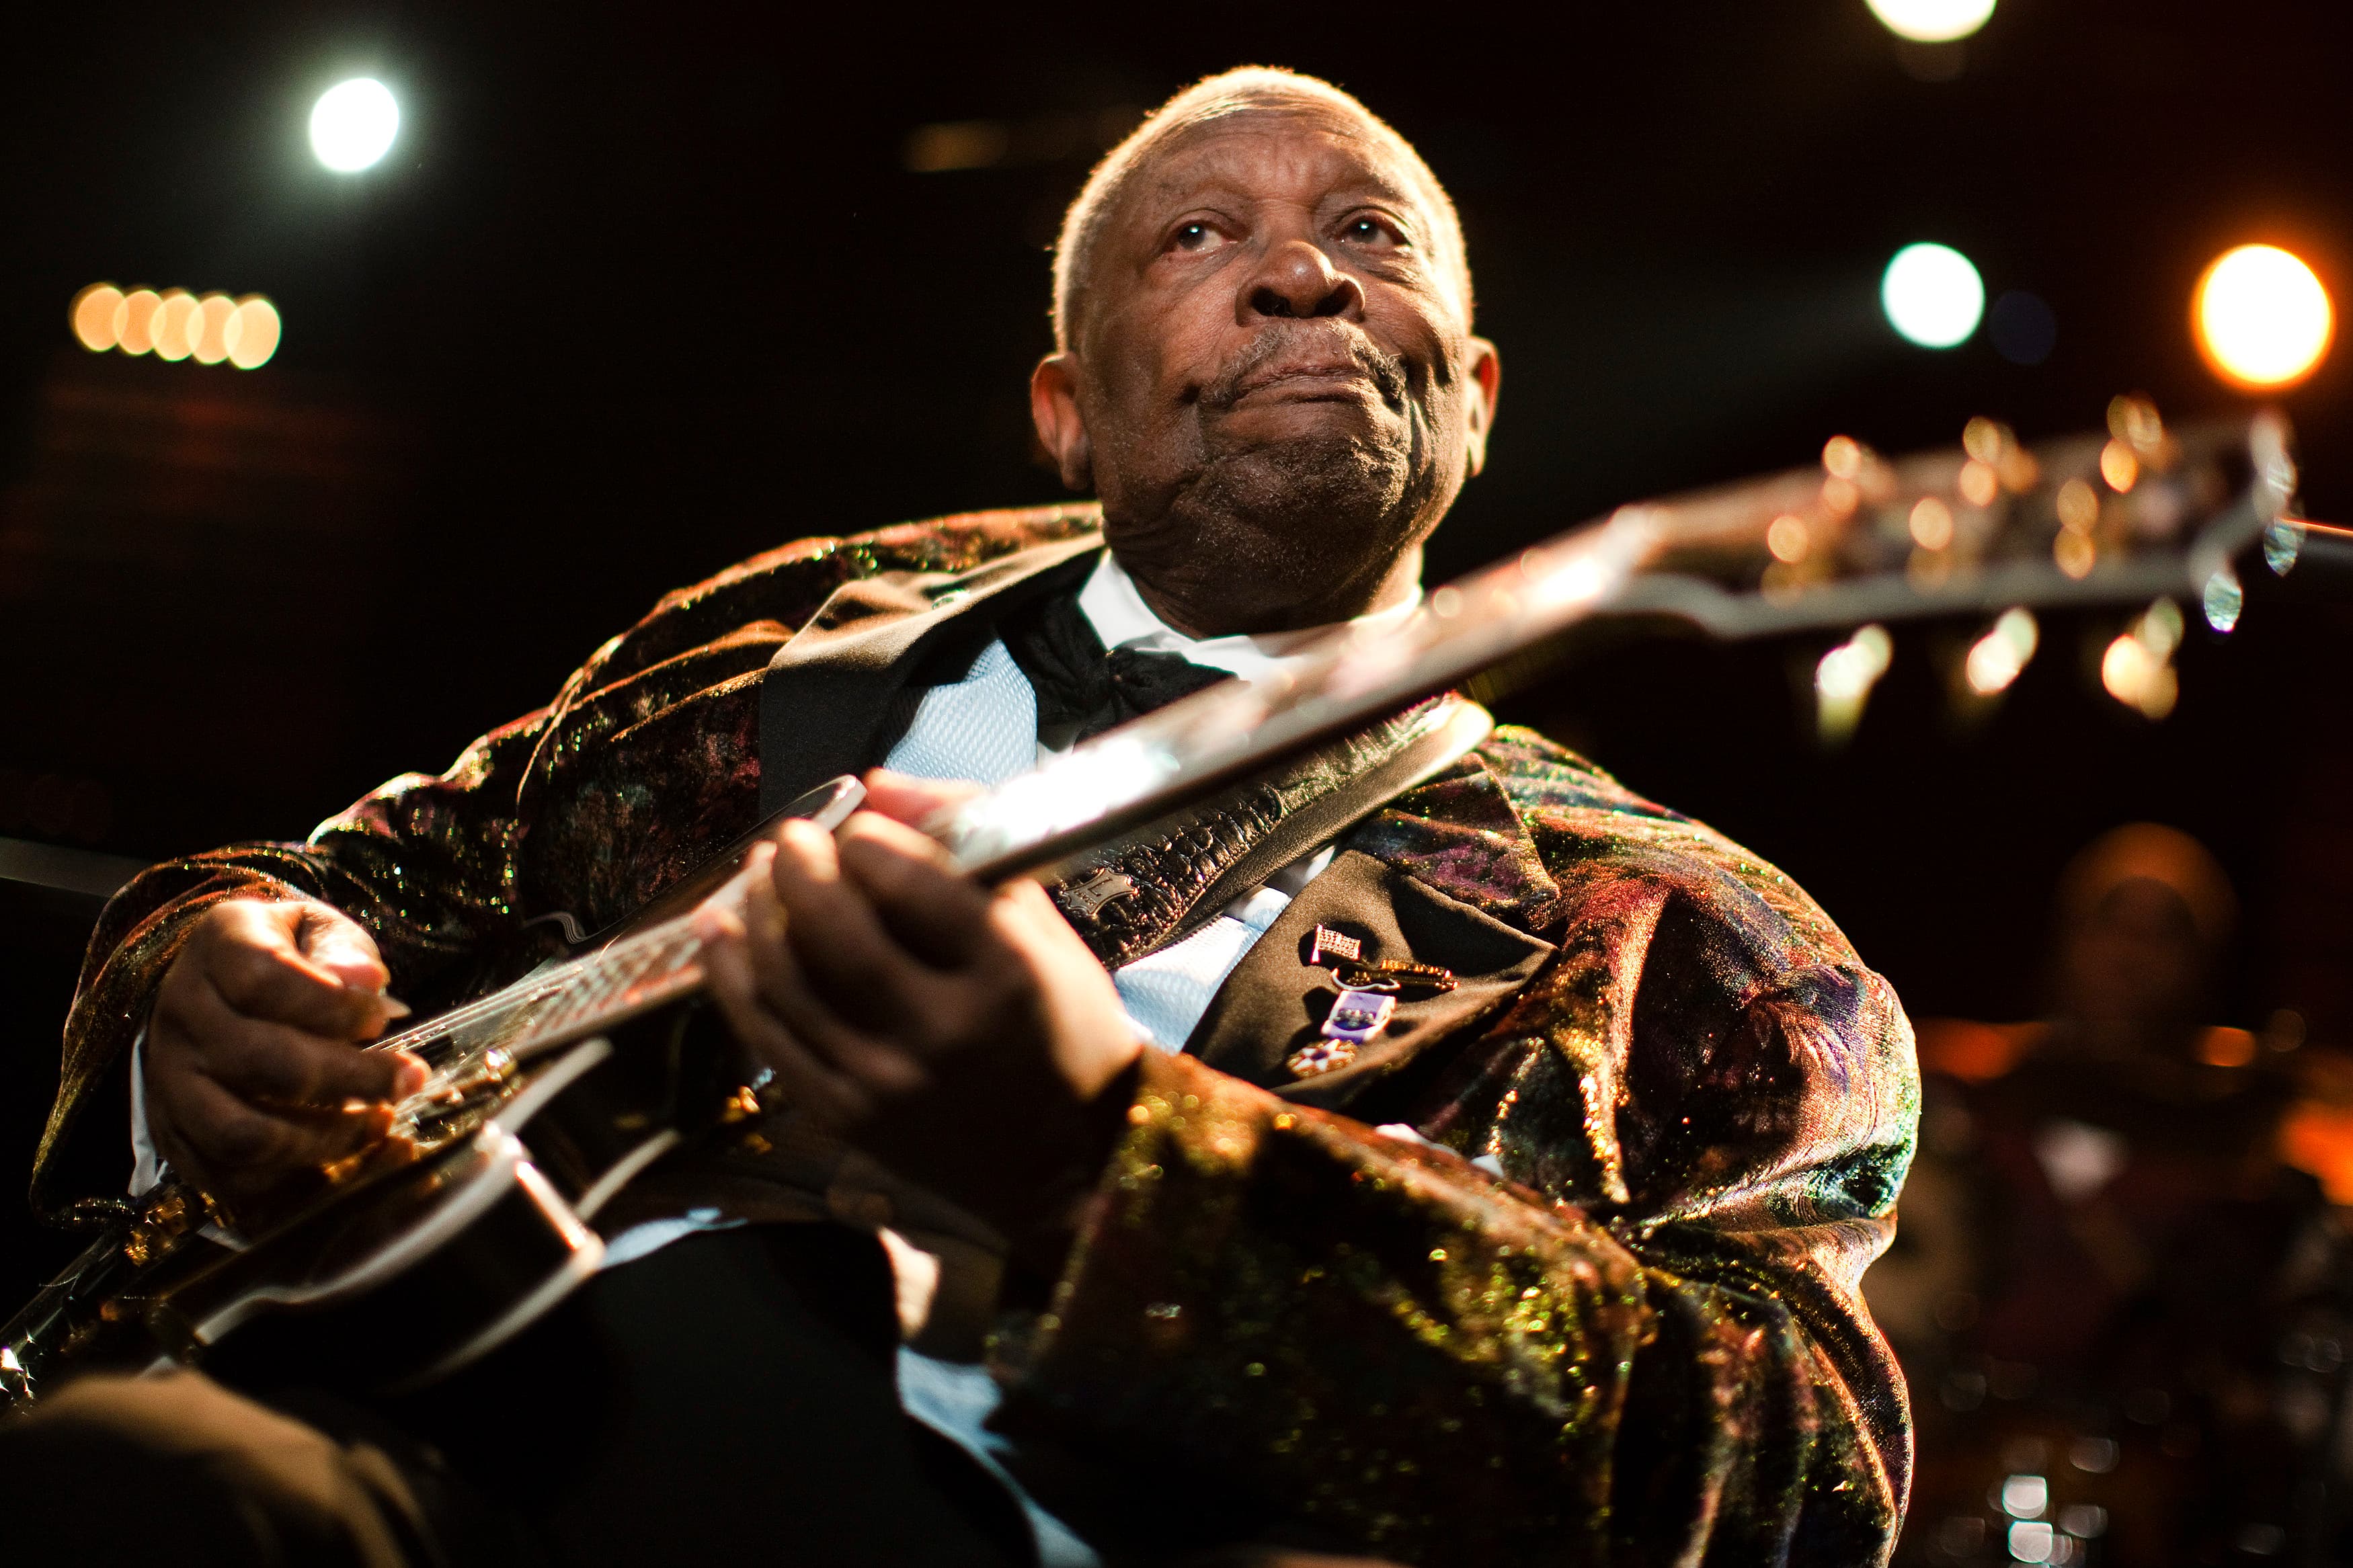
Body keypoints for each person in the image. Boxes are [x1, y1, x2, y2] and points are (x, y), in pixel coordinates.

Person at [5, 69, 1919, 1566]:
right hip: (435, 1422)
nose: (1301, 268)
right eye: (1197, 234)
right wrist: (204, 973)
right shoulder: (774, 630)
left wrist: (1110, 1163)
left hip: (1037, 1518)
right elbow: (351, 881)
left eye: (1368, 231)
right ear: (1067, 413)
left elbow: (1788, 1475)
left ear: (1475, 395)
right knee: (122, 1481)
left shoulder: (1680, 938)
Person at [1872, 825, 2353, 1566]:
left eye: (2165, 930)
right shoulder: (1962, 1116)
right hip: (1952, 1484)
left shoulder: (2255, 1160)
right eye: (2111, 921)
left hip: (2157, 1512)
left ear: (2205, 960)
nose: (2130, 953)